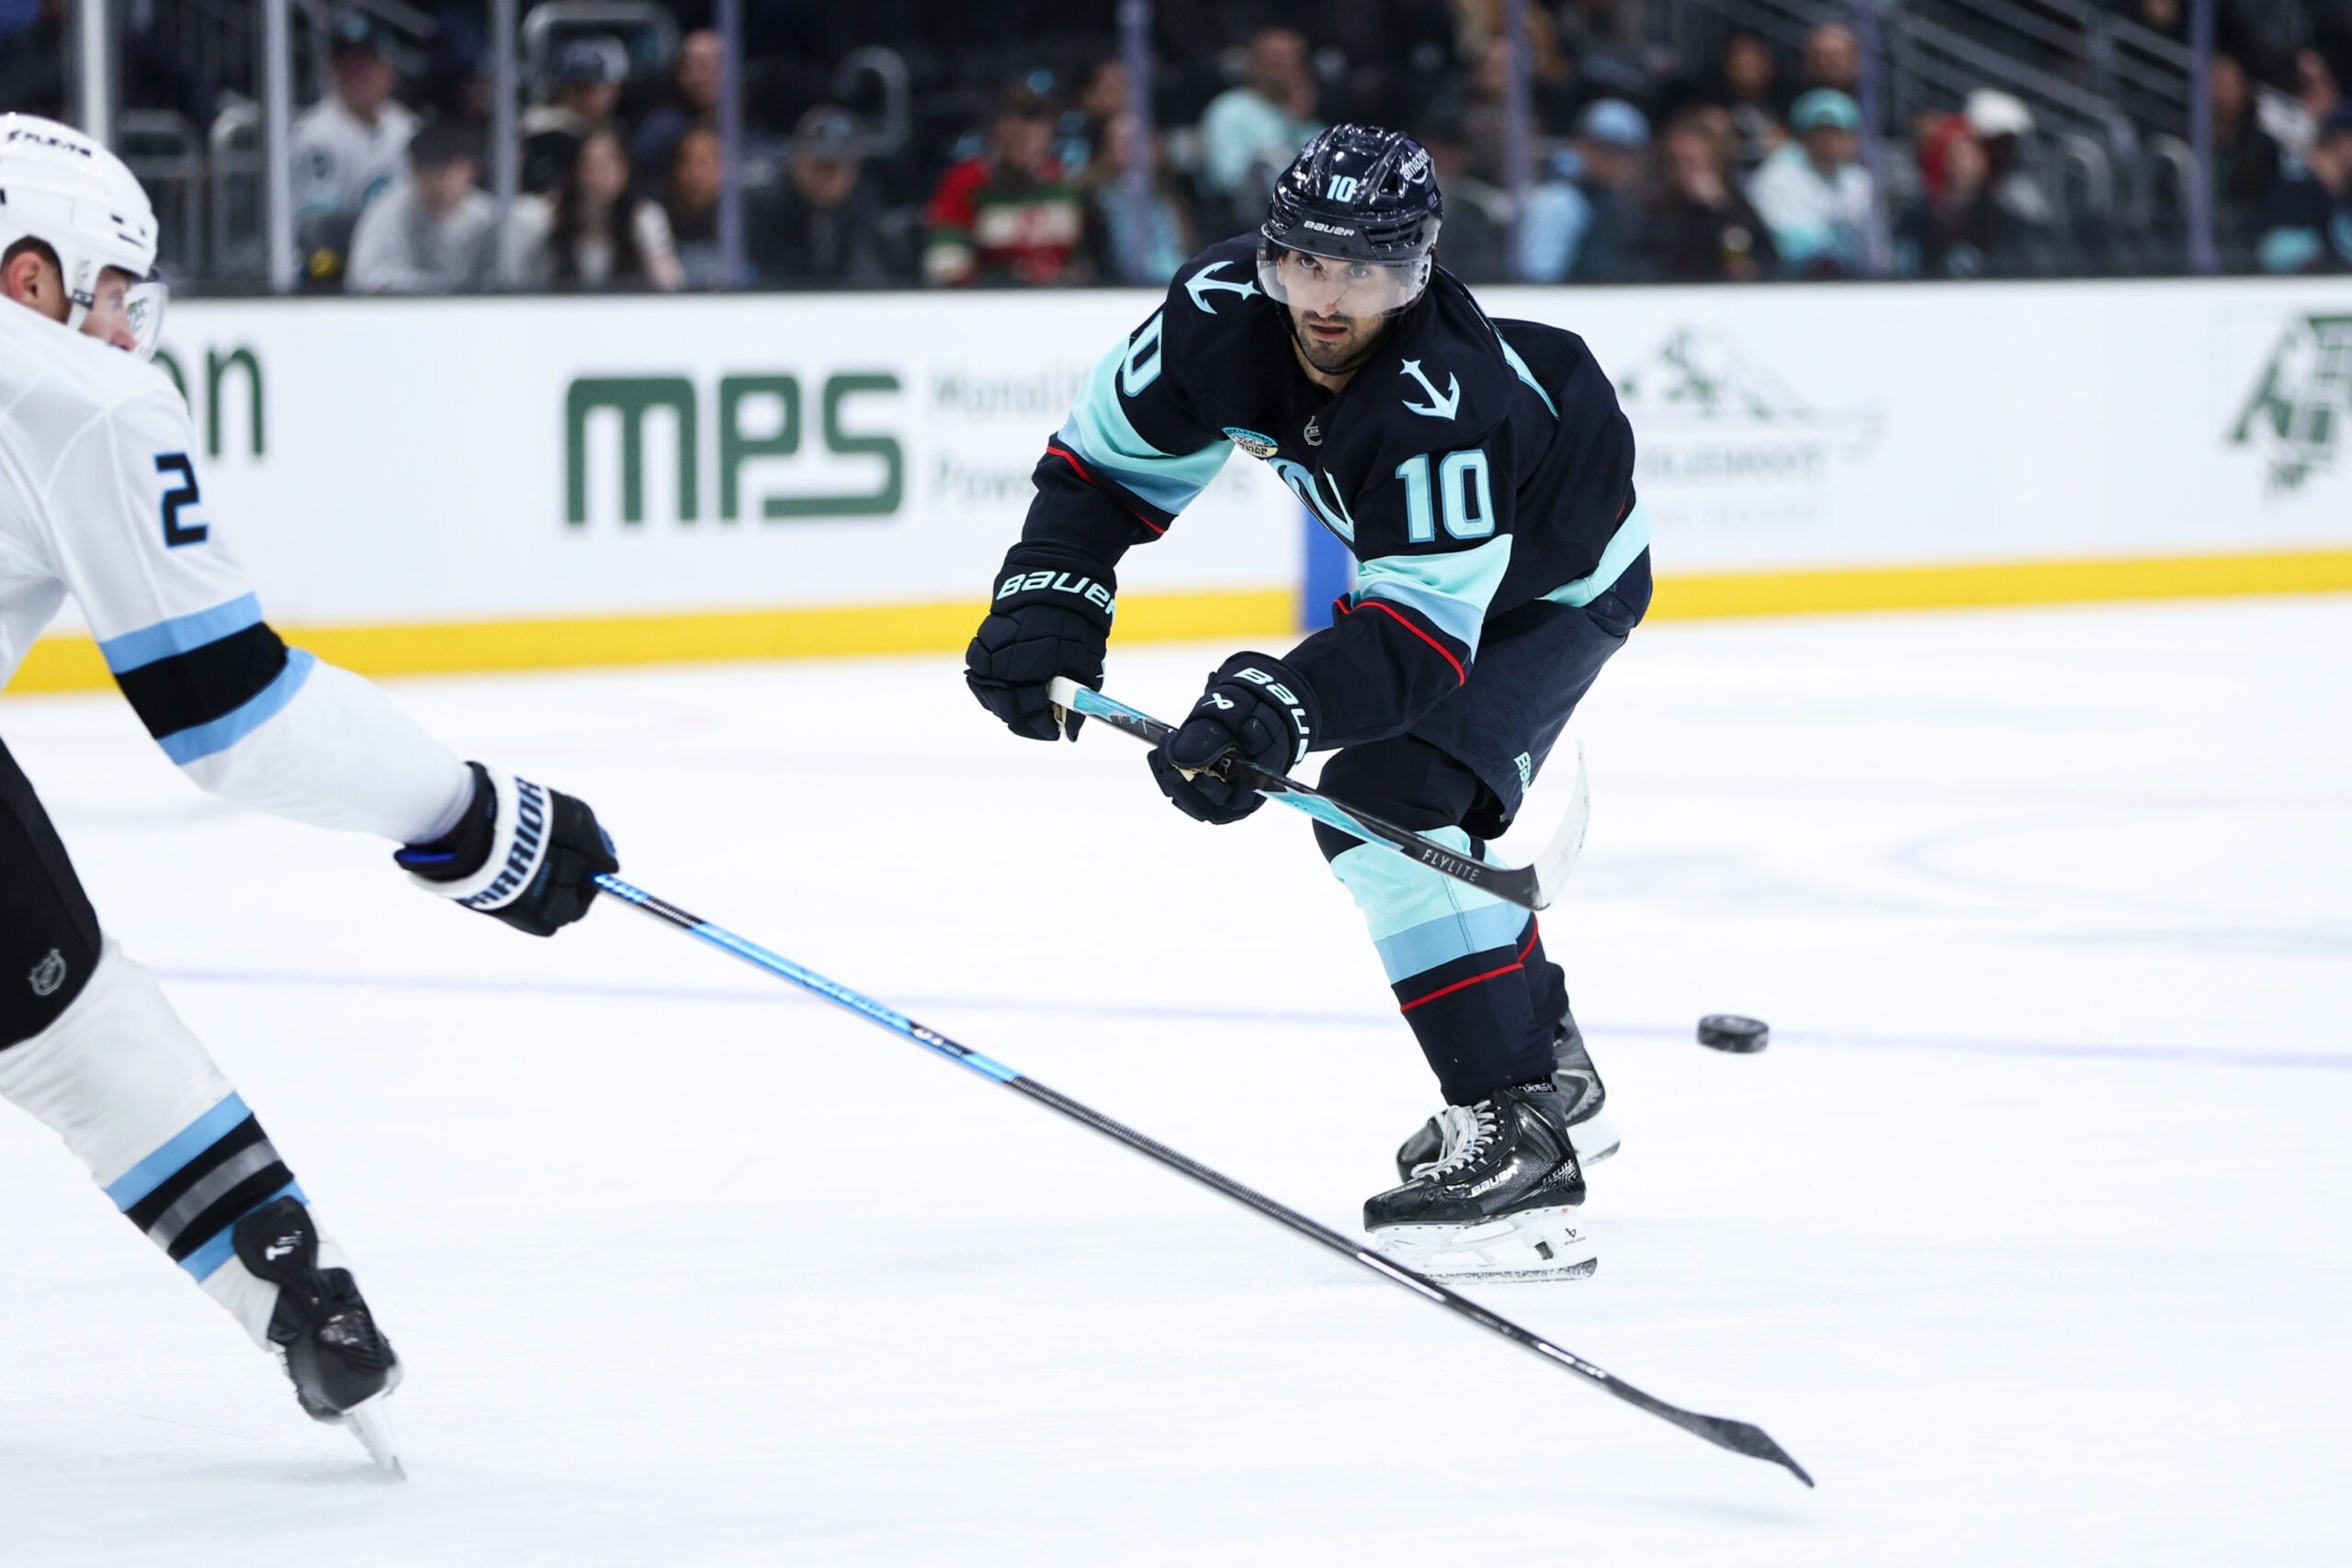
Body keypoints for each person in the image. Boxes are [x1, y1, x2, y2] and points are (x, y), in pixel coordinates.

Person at [0, 114, 616, 1469]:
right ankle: (287, 1278)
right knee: (72, 1025)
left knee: (68, 1006)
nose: (120, 330)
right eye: (111, 292)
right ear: (26, 273)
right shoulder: (66, 392)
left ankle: (291, 1279)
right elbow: (229, 715)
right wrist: (472, 819)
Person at [963, 125, 1649, 1281]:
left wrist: (1276, 705)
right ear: (1268, 252)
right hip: (1446, 594)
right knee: (1385, 805)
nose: (1330, 301)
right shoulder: (1218, 309)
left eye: (1369, 271)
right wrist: (1049, 599)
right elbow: (1104, 471)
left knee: (1387, 803)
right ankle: (1546, 1069)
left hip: (1552, 590)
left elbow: (1422, 638)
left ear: (1419, 271)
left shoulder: (1446, 396)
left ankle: (1516, 1131)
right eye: (1306, 265)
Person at [290, 12, 418, 286]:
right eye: (348, 64)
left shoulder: (407, 127)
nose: (359, 74)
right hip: (338, 269)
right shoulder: (317, 136)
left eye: (368, 63)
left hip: (404, 257)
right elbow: (322, 228)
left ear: (388, 70)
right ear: (333, 71)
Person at [922, 85, 1088, 288]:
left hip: (1066, 304)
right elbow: (945, 262)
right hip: (988, 305)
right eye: (1010, 119)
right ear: (993, 128)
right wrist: (1009, 278)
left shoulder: (1068, 184)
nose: (1022, 133)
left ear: (1051, 131)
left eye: (1033, 121)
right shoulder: (965, 181)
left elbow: (1090, 262)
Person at [509, 122, 684, 291]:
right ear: (576, 171)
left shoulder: (644, 218)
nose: (600, 176)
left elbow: (670, 283)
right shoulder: (549, 217)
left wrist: (650, 250)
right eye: (591, 166)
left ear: (625, 170)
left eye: (609, 165)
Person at [345, 119, 500, 294]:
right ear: (412, 171)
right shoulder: (387, 213)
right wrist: (443, 288)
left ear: (470, 171)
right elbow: (368, 280)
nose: (438, 183)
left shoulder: (488, 216)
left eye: (447, 172)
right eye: (428, 171)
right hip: (403, 314)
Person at [753, 107, 898, 288]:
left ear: (853, 173)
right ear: (796, 162)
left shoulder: (866, 206)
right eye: (819, 166)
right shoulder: (765, 208)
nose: (826, 178)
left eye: (835, 168)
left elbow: (867, 279)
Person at [1196, 28, 1323, 229]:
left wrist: (1294, 119)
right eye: (1274, 59)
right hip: (1244, 228)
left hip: (1304, 230)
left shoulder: (1309, 123)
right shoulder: (1229, 109)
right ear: (1253, 63)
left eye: (1292, 59)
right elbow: (1226, 179)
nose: (1283, 66)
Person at [1746, 87, 1876, 276]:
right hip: (1791, 283)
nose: (1830, 141)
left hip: (1853, 282)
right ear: (1804, 137)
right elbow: (1788, 244)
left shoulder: (1860, 180)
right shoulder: (1774, 177)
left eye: (1837, 133)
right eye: (1821, 133)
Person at [1639, 113, 1777, 282]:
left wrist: (1719, 208)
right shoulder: (1654, 210)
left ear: (1713, 163)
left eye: (1692, 162)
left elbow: (1768, 260)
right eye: (1675, 162)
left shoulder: (1735, 207)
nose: (1683, 170)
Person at [521, 34, 628, 196]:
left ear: (613, 91)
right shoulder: (541, 131)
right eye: (575, 87)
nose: (582, 97)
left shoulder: (620, 132)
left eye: (590, 88)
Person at [631, 27, 718, 186]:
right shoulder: (659, 131)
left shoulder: (747, 126)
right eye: (690, 66)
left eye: (707, 66)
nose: (699, 77)